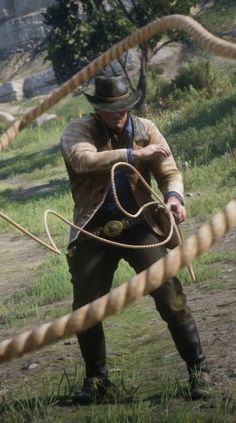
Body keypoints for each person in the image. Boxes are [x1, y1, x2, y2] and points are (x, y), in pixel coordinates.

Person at [60, 75, 212, 404]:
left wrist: (174, 198)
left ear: (129, 105)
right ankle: (97, 382)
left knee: (170, 295)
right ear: (97, 108)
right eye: (109, 109)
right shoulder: (78, 131)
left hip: (140, 222)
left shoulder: (146, 128)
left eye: (122, 107)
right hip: (94, 227)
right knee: (85, 308)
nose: (117, 114)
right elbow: (83, 160)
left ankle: (199, 371)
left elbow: (169, 170)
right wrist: (132, 154)